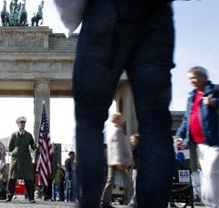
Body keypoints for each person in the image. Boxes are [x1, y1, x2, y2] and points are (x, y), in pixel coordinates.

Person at [70, 1, 176, 207]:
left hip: (104, 11)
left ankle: (89, 202)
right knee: (155, 125)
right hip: (156, 15)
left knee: (89, 120)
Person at [174, 66, 219, 207]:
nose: (191, 81)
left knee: (212, 172)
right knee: (205, 175)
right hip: (199, 143)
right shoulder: (192, 97)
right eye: (190, 79)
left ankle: (213, 204)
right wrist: (179, 135)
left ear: (203, 77)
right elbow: (187, 119)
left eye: (194, 77)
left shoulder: (215, 91)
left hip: (214, 141)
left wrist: (214, 102)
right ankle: (209, 204)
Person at [101, 113, 133, 208]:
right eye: (121, 119)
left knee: (110, 181)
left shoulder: (112, 130)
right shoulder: (118, 131)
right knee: (128, 181)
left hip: (112, 160)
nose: (122, 120)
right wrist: (119, 160)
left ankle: (104, 202)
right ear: (117, 120)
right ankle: (132, 200)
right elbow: (117, 147)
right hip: (118, 161)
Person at [6, 116, 37, 203]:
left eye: (24, 123)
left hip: (26, 159)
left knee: (29, 180)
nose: (22, 125)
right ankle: (9, 197)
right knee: (12, 179)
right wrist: (16, 150)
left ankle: (31, 198)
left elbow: (33, 146)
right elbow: (10, 147)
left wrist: (37, 146)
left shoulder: (29, 135)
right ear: (18, 125)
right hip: (16, 160)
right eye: (21, 123)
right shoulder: (14, 135)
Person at [128, 133, 139, 207]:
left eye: (132, 139)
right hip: (137, 169)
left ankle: (133, 201)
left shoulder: (136, 148)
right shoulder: (141, 148)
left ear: (137, 140)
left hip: (137, 169)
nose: (131, 141)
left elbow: (131, 159)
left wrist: (130, 168)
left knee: (135, 186)